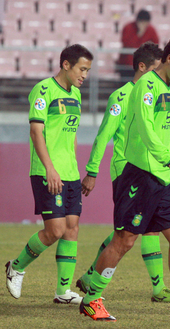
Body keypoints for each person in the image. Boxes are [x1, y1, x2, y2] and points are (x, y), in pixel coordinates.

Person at [79, 35, 170, 323]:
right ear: (169, 59)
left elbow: (166, 131)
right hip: (139, 173)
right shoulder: (146, 85)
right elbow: (146, 131)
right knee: (124, 240)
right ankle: (91, 298)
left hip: (161, 175)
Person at [75, 42, 170, 304]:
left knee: (141, 229)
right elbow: (103, 135)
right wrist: (92, 170)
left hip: (152, 168)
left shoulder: (158, 92)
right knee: (129, 232)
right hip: (128, 169)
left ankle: (95, 277)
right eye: (155, 69)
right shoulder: (121, 96)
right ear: (142, 67)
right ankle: (96, 281)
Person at [5, 44, 93, 304]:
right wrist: (51, 169)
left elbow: (72, 134)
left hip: (70, 173)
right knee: (55, 230)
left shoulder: (76, 94)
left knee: (72, 229)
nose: (84, 75)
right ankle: (16, 267)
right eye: (82, 69)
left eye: (87, 70)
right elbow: (36, 132)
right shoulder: (43, 90)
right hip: (47, 171)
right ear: (66, 64)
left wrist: (75, 170)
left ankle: (63, 292)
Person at [116, 9, 159, 80]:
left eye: (146, 23)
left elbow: (155, 44)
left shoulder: (151, 30)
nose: (143, 25)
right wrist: (139, 33)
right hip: (127, 65)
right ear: (137, 21)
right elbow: (126, 43)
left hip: (144, 66)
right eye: (141, 22)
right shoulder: (128, 27)